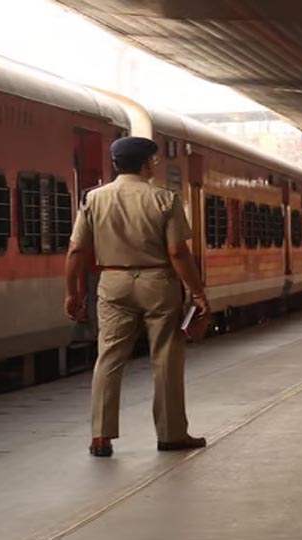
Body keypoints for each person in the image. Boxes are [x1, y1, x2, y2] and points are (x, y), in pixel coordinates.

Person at [65, 136, 209, 458]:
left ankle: (101, 436)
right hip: (158, 281)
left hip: (113, 281)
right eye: (153, 161)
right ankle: (171, 434)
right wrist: (198, 291)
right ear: (147, 164)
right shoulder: (165, 199)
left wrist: (72, 292)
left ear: (116, 164)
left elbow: (76, 250)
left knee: (109, 357)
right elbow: (177, 251)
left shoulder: (93, 199)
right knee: (166, 358)